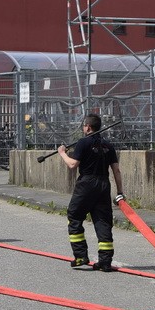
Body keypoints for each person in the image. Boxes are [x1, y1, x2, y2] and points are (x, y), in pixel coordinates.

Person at [57, 113, 125, 272]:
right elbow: (116, 170)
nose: (83, 128)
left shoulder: (83, 142)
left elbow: (73, 164)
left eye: (83, 126)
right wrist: (120, 192)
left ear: (87, 127)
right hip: (103, 185)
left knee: (74, 216)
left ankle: (80, 255)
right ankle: (105, 261)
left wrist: (62, 153)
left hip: (86, 184)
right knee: (102, 221)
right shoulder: (108, 145)